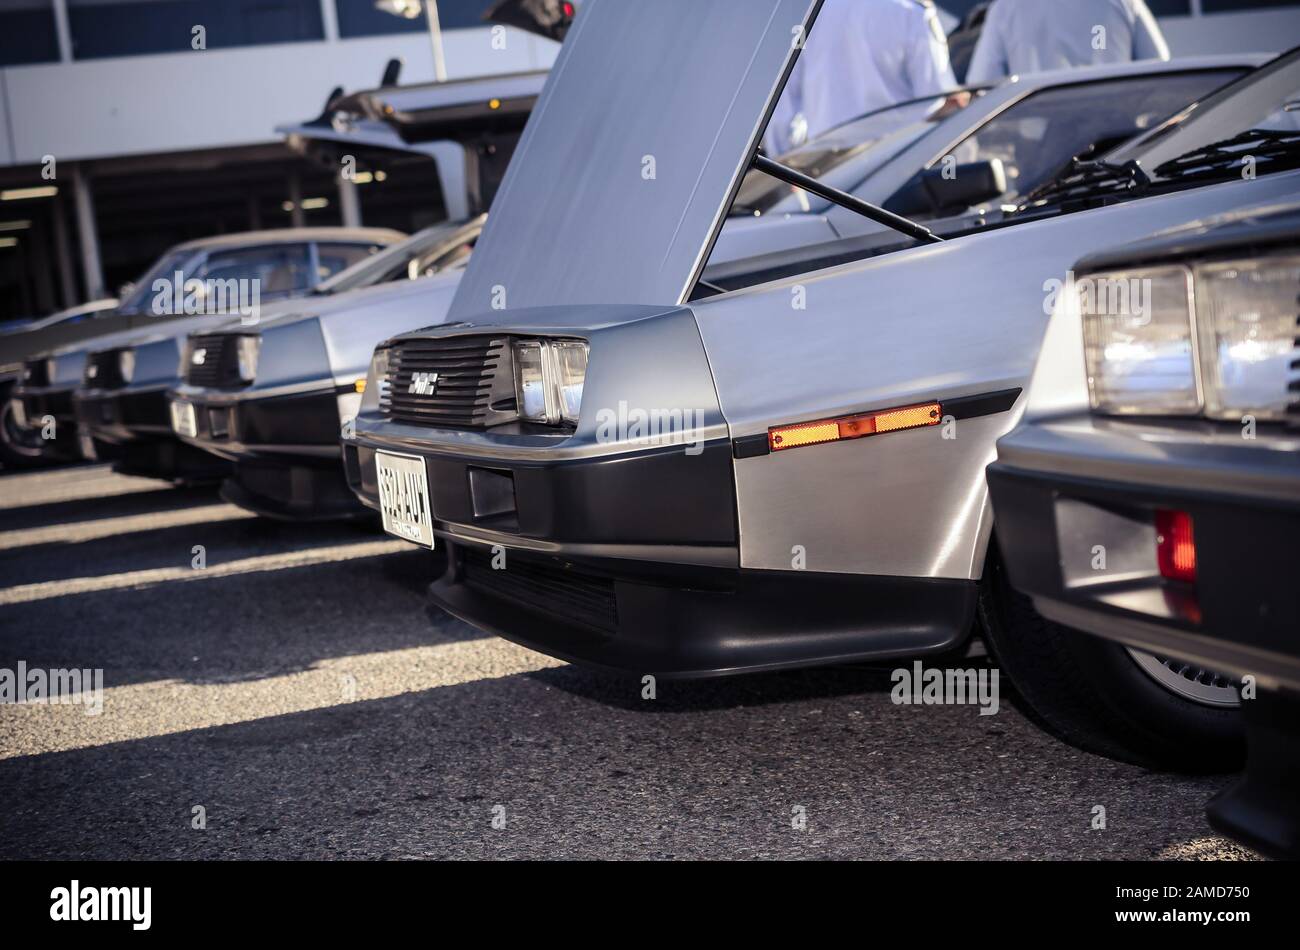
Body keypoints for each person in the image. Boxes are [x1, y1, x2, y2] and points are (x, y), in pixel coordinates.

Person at [764, 0, 958, 155]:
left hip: (825, 171)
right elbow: (938, 103)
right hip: (896, 162)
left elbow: (781, 109)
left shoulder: (803, 17)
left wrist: (790, 166)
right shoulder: (911, 13)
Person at [965, 0, 1170, 86]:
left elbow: (982, 85)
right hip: (1118, 140)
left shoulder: (1006, 8)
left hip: (1041, 149)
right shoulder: (1124, 2)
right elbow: (1160, 68)